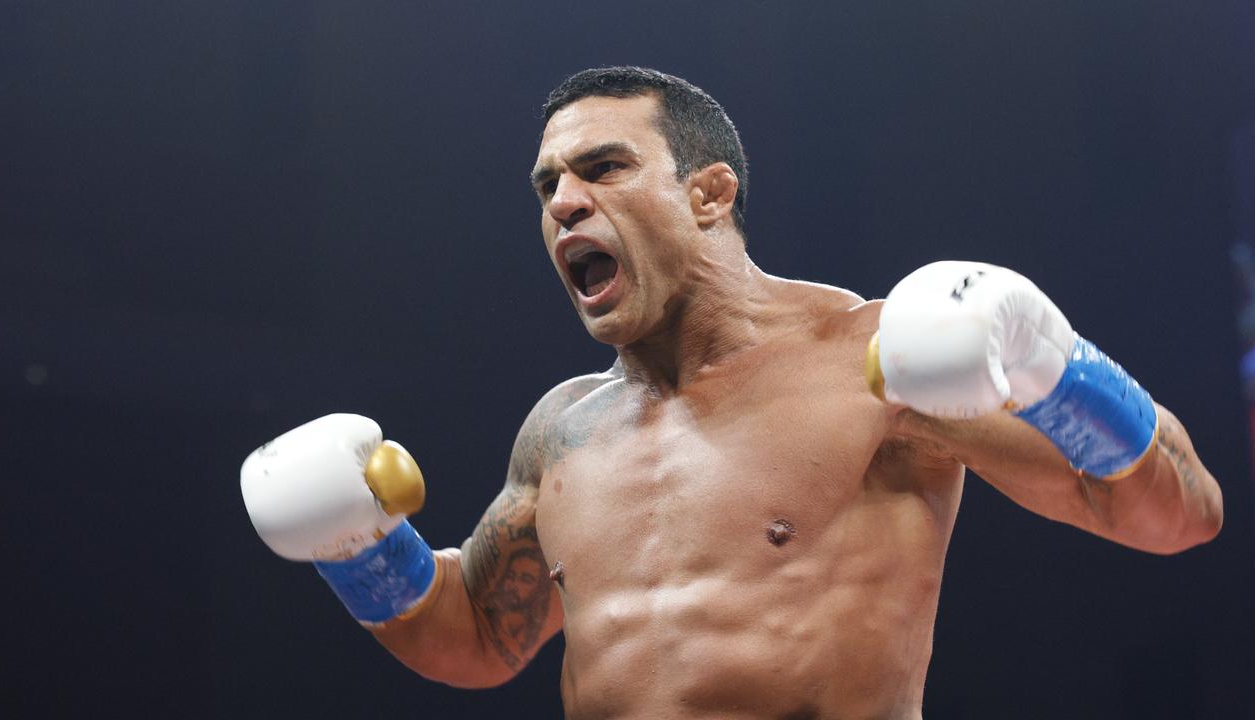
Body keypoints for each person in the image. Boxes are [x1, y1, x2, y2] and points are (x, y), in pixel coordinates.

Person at [240, 67, 1223, 719]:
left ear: (707, 194)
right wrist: (355, 545)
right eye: (544, 186)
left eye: (600, 168)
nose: (561, 203)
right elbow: (475, 644)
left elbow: (1173, 513)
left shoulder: (874, 358)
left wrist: (1053, 368)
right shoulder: (562, 433)